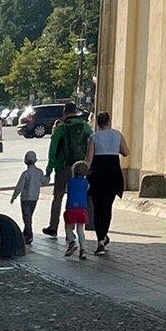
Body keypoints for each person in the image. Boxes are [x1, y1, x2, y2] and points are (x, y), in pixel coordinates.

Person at [42, 102, 92, 237]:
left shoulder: (61, 128)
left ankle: (53, 226)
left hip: (63, 166)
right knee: (75, 197)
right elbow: (92, 145)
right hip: (80, 168)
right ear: (76, 113)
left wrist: (49, 170)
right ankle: (74, 228)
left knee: (58, 197)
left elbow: (53, 151)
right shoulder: (85, 127)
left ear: (64, 113)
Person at [87, 112, 128, 254]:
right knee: (107, 207)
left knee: (98, 209)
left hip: (98, 175)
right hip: (113, 174)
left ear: (97, 123)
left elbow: (89, 160)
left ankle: (100, 241)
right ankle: (104, 236)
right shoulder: (117, 135)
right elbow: (126, 152)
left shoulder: (94, 137)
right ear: (109, 122)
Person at [12, 151, 45, 244]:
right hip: (35, 198)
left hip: (25, 198)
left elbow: (19, 186)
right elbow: (44, 182)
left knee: (26, 217)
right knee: (29, 216)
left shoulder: (25, 174)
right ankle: (26, 232)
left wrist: (14, 196)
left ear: (25, 161)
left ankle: (29, 234)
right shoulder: (39, 172)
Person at [62, 161, 92, 258]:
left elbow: (67, 189)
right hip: (82, 209)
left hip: (71, 208)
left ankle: (72, 242)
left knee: (68, 228)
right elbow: (87, 189)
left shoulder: (70, 181)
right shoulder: (86, 182)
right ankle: (83, 250)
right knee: (80, 230)